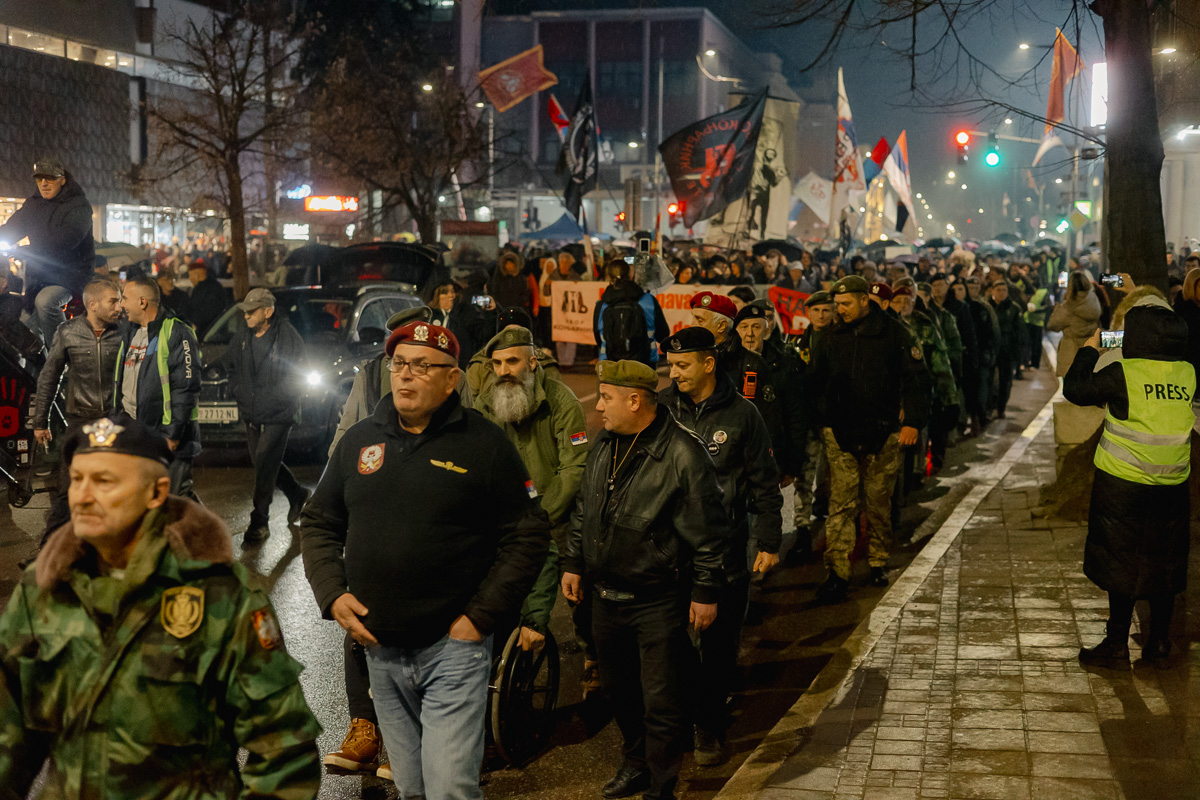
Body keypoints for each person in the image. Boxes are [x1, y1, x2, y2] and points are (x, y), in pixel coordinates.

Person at [0, 413, 322, 796]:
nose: (82, 496)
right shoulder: (45, 588)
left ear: (156, 492)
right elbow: (8, 736)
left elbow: (285, 752)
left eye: (104, 481)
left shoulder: (219, 597)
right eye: (77, 479)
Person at [300, 321, 550, 799]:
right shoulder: (359, 441)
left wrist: (479, 618)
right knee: (412, 789)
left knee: (449, 789)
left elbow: (528, 533)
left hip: (453, 650)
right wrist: (332, 593)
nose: (405, 375)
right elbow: (318, 521)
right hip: (381, 651)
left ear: (452, 379)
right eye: (399, 364)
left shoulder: (484, 444)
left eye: (421, 366)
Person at [561, 360, 727, 800]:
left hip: (656, 599)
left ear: (635, 401)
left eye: (606, 398)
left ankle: (660, 785)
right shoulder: (605, 443)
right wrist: (574, 560)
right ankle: (635, 762)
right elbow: (584, 507)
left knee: (661, 701)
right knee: (619, 692)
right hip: (605, 597)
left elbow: (710, 533)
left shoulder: (683, 453)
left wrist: (706, 591)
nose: (598, 407)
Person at [659, 327, 782, 766]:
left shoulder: (744, 415)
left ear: (709, 364)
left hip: (726, 548)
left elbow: (764, 482)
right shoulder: (662, 409)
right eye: (671, 366)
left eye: (683, 365)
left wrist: (769, 539)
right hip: (671, 550)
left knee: (718, 645)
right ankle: (680, 715)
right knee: (671, 641)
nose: (674, 374)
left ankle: (709, 725)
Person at [1064, 305, 1196, 668]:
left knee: (1121, 561)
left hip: (1122, 484)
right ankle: (1159, 643)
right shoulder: (1187, 373)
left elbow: (1075, 389)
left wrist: (1090, 350)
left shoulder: (1125, 372)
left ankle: (1116, 644)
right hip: (1172, 483)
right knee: (1164, 562)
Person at [474, 325, 591, 677]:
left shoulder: (562, 401)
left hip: (559, 519)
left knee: (580, 601)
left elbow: (575, 467)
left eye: (512, 361)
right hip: (511, 523)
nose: (503, 371)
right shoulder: (485, 403)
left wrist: (541, 514)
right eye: (496, 364)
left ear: (533, 362)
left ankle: (593, 660)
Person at [807, 275, 930, 602]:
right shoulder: (831, 336)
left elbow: (917, 380)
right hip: (840, 433)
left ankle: (877, 560)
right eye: (837, 304)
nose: (840, 310)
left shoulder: (895, 334)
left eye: (846, 304)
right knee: (841, 505)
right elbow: (815, 382)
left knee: (878, 502)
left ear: (864, 300)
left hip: (883, 433)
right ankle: (837, 572)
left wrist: (912, 422)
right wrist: (822, 420)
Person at [30, 278, 123, 542]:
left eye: (119, 301)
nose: (119, 307)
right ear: (93, 304)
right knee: (69, 489)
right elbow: (49, 377)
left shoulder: (126, 331)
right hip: (80, 421)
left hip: (117, 421)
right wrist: (40, 421)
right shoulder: (68, 332)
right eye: (113, 301)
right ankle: (52, 548)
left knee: (115, 488)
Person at [218, 288, 311, 546]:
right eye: (245, 311)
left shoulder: (287, 336)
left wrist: (279, 398)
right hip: (253, 413)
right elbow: (231, 365)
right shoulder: (243, 336)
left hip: (279, 414)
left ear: (268, 312)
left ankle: (259, 521)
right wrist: (238, 390)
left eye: (252, 311)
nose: (246, 315)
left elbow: (300, 373)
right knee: (264, 463)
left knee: (264, 459)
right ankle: (297, 493)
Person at [114, 274, 203, 498]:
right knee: (154, 500)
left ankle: (203, 523)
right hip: (139, 433)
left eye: (125, 298)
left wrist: (172, 435)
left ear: (142, 302)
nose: (121, 304)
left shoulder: (177, 332)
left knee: (174, 499)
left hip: (167, 436)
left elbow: (185, 387)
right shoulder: (130, 332)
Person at [0, 159, 95, 350]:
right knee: (27, 333)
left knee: (46, 302)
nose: (44, 183)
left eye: (50, 178)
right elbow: (12, 229)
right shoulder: (32, 205)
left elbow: (67, 239)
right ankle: (39, 365)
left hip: (70, 275)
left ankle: (61, 353)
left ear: (63, 180)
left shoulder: (79, 206)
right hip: (39, 276)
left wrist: (28, 251)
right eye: (39, 179)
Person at [594, 259, 670, 366]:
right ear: (630, 275)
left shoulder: (602, 305)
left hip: (609, 362)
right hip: (645, 361)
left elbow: (598, 337)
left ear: (609, 277)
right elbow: (663, 334)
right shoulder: (648, 300)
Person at [1048, 271, 1102, 378]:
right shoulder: (1093, 300)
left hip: (1071, 353)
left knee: (1071, 384)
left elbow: (1052, 325)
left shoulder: (1068, 306)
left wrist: (1058, 308)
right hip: (1091, 349)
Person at [988, 280, 1023, 419]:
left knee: (1005, 381)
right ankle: (989, 407)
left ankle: (1000, 407)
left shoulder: (1014, 308)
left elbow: (1019, 332)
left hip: (1007, 351)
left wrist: (1017, 353)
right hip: (991, 350)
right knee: (989, 381)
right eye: (998, 290)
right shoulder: (987, 307)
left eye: (1004, 290)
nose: (1001, 293)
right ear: (993, 291)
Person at [183, 260, 231, 336]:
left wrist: (195, 323)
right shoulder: (201, 287)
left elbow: (209, 312)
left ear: (198, 274)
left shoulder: (213, 289)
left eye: (191, 275)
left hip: (209, 332)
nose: (190, 278)